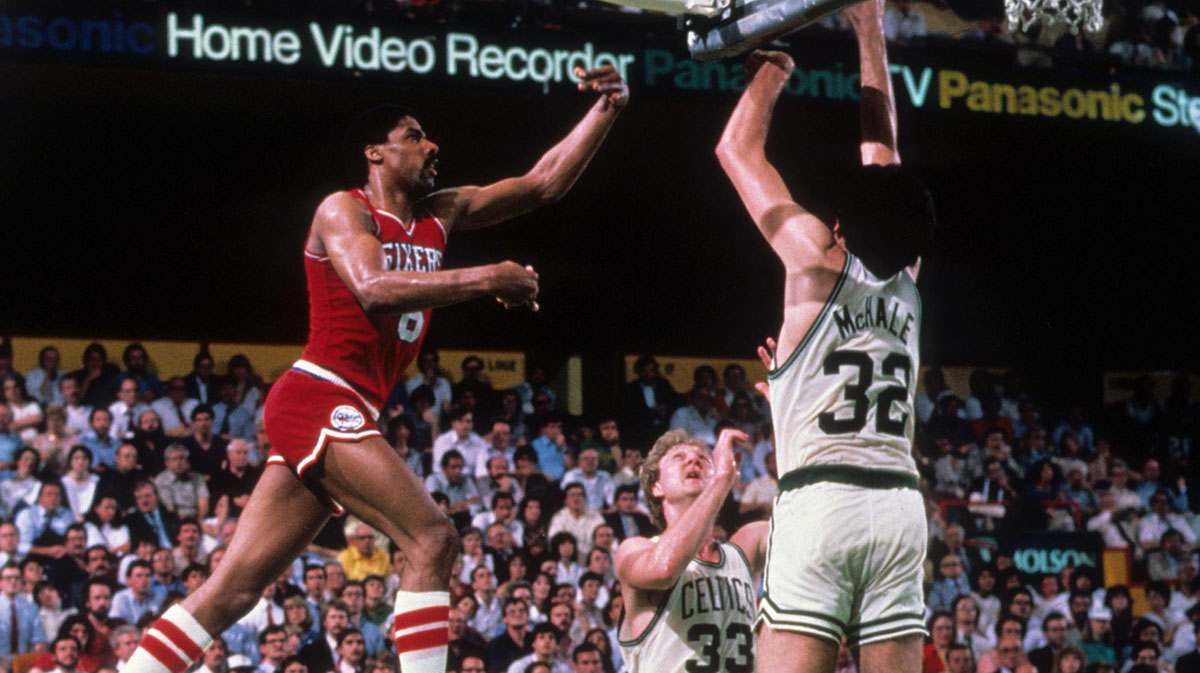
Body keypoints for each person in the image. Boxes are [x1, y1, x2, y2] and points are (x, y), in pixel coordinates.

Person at [126, 66, 629, 673]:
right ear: (375, 153)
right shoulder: (344, 208)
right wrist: (485, 278)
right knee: (433, 536)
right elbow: (371, 288)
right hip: (317, 395)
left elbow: (543, 183)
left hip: (348, 407)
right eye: (414, 136)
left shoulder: (443, 210)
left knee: (233, 590)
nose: (431, 144)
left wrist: (607, 108)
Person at [714, 0, 935, 668]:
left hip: (820, 500)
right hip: (900, 506)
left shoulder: (814, 255)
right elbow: (884, 154)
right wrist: (870, 28)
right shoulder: (909, 278)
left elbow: (734, 149)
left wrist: (774, 70)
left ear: (841, 221)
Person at [616, 429, 766, 673]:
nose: (693, 460)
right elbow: (665, 569)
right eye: (678, 457)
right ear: (656, 486)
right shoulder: (635, 549)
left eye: (704, 458)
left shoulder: (746, 547)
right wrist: (720, 481)